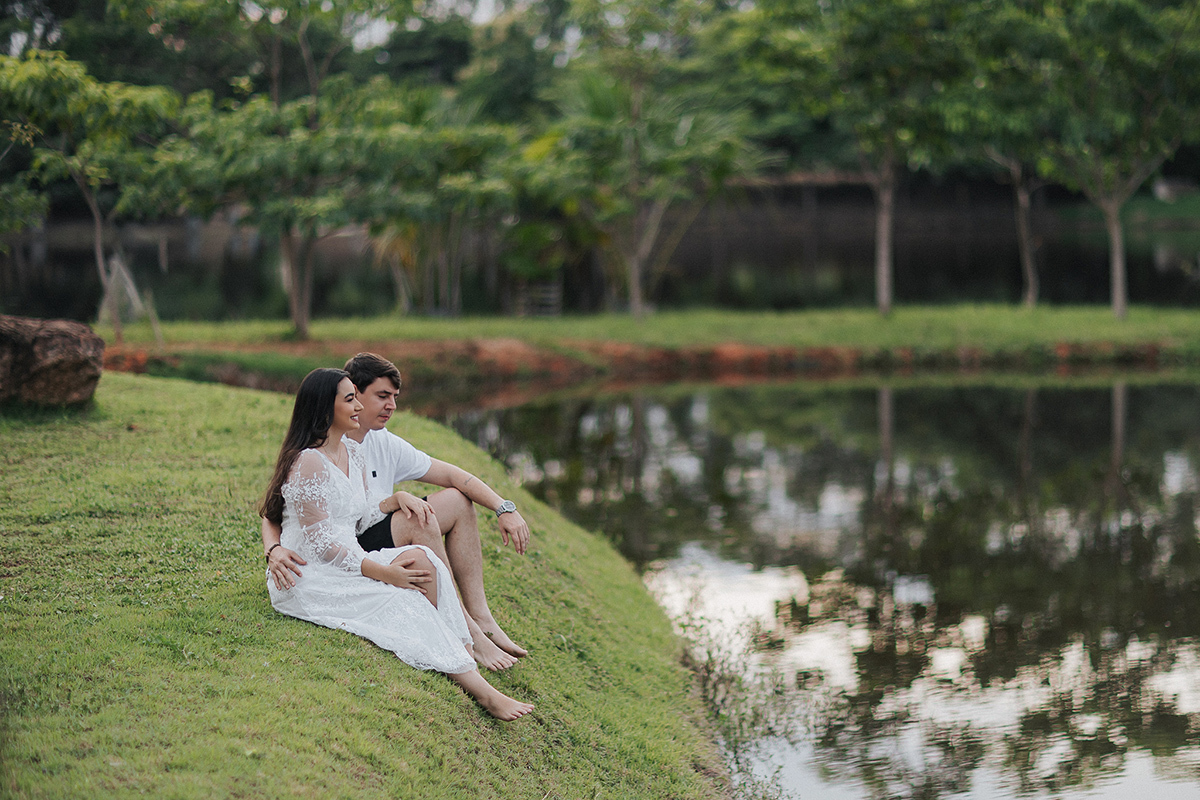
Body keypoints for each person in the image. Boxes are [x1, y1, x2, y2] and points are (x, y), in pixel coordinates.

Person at [260, 367, 533, 721]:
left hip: (350, 558)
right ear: (326, 409)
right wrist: (383, 572)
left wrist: (393, 501)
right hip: (310, 574)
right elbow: (321, 543)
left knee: (426, 562)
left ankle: (465, 645)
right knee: (404, 600)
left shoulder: (350, 453)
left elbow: (356, 518)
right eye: (350, 399)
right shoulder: (309, 462)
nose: (358, 406)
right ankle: (485, 693)